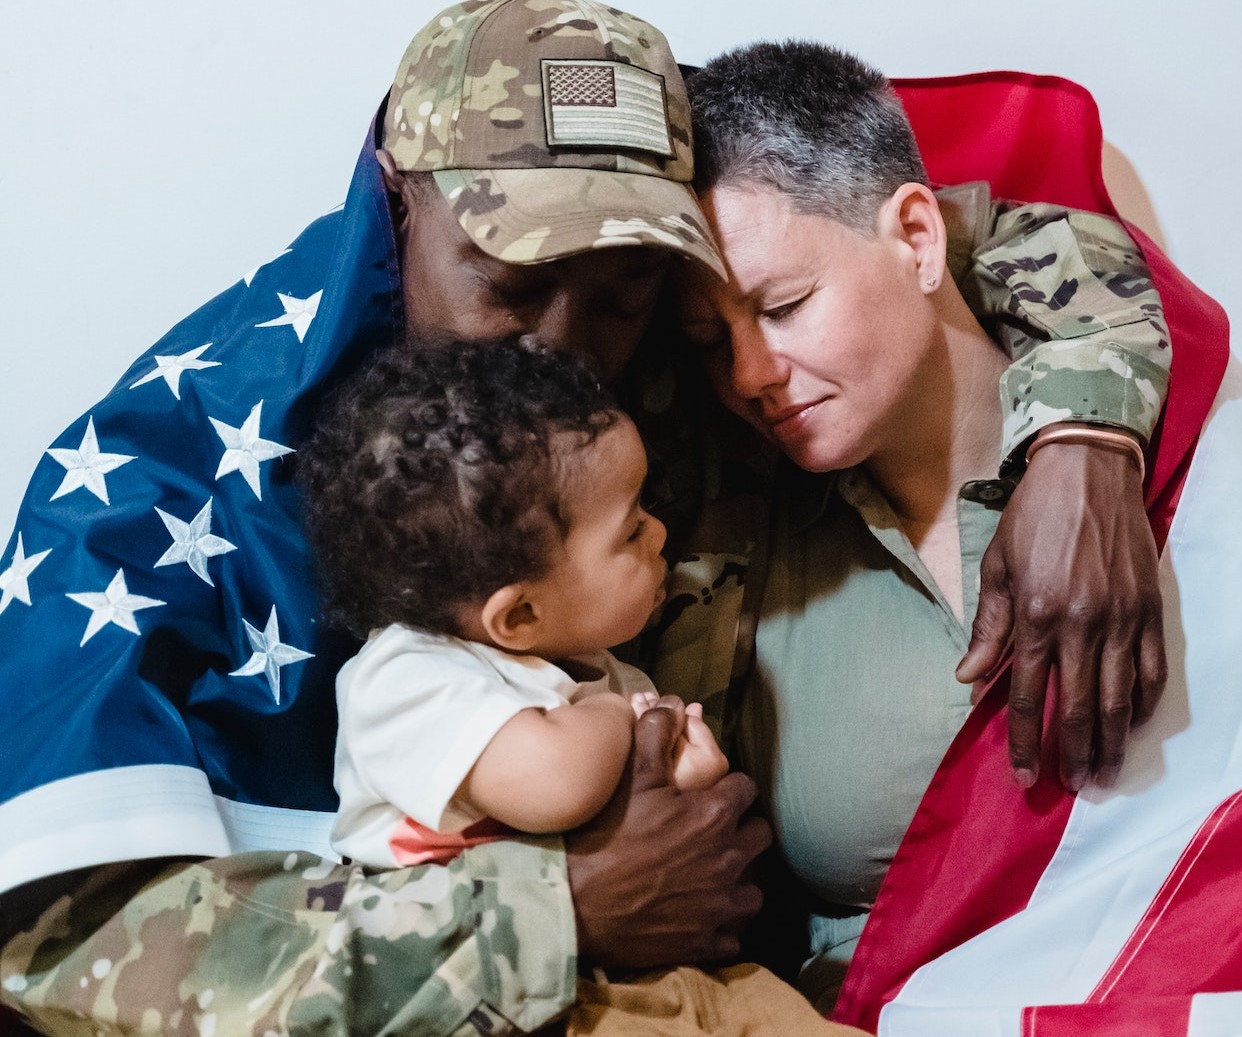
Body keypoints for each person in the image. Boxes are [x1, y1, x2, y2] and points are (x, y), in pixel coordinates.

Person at [0, 1, 1178, 1032]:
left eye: (621, 295)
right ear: (397, 200)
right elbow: (57, 943)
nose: (564, 349)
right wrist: (552, 908)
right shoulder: (162, 483)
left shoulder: (675, 353)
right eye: (510, 284)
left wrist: (1083, 433)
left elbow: (989, 238)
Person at [679, 41, 1242, 1036]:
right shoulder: (724, 548)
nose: (747, 370)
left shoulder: (1181, 443)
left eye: (784, 306)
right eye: (708, 339)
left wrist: (1086, 435)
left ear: (914, 236)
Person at [298, 336, 863, 1036]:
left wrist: (690, 771)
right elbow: (559, 781)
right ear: (519, 613)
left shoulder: (589, 665)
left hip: (662, 976)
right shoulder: (405, 677)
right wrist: (630, 721)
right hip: (518, 1001)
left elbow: (658, 814)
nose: (660, 533)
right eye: (629, 531)